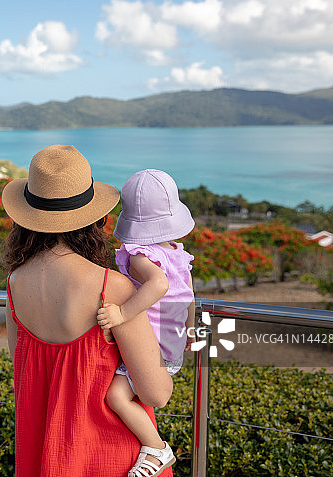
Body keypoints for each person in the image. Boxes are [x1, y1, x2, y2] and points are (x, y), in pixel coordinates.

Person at [1, 145, 174, 477]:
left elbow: (22, 370)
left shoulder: (14, 284)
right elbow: (156, 393)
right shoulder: (113, 288)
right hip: (112, 460)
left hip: (47, 457)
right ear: (96, 217)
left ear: (27, 218)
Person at [96, 169, 196, 477]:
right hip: (172, 344)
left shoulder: (140, 255)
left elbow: (159, 286)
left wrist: (123, 314)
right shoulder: (178, 253)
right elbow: (189, 296)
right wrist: (189, 331)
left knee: (115, 395)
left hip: (154, 349)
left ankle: (156, 448)